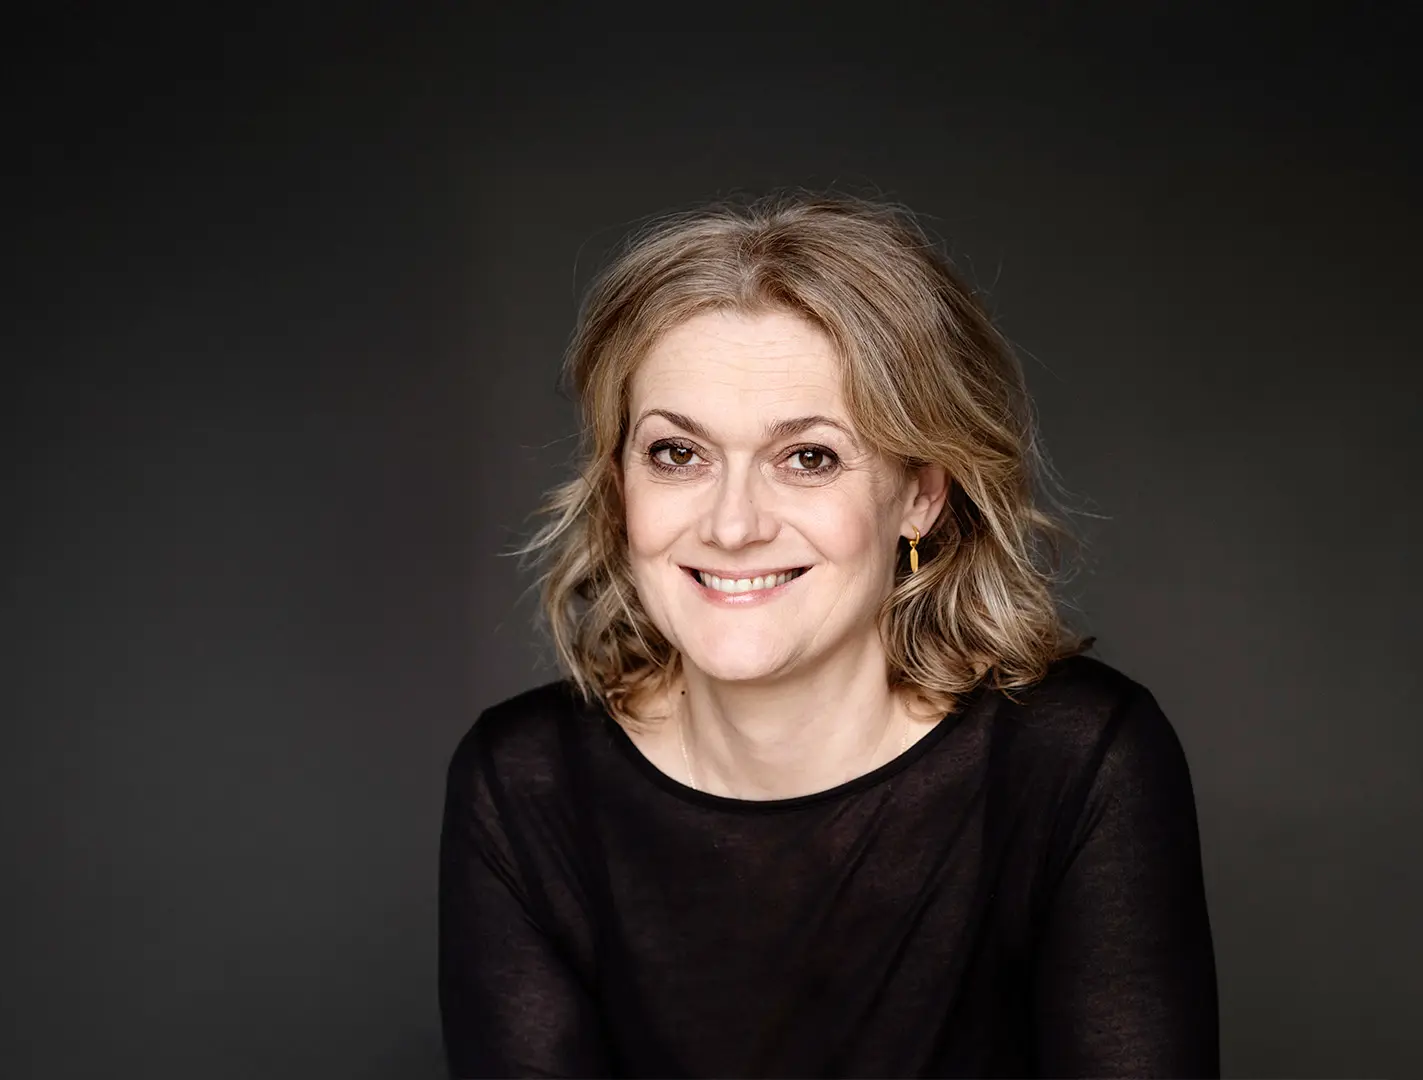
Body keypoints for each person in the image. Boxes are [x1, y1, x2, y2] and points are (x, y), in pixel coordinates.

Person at [438, 192, 1220, 1078]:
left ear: (921, 494)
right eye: (676, 454)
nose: (732, 525)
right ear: (620, 486)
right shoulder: (527, 785)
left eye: (808, 457)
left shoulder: (1074, 763)